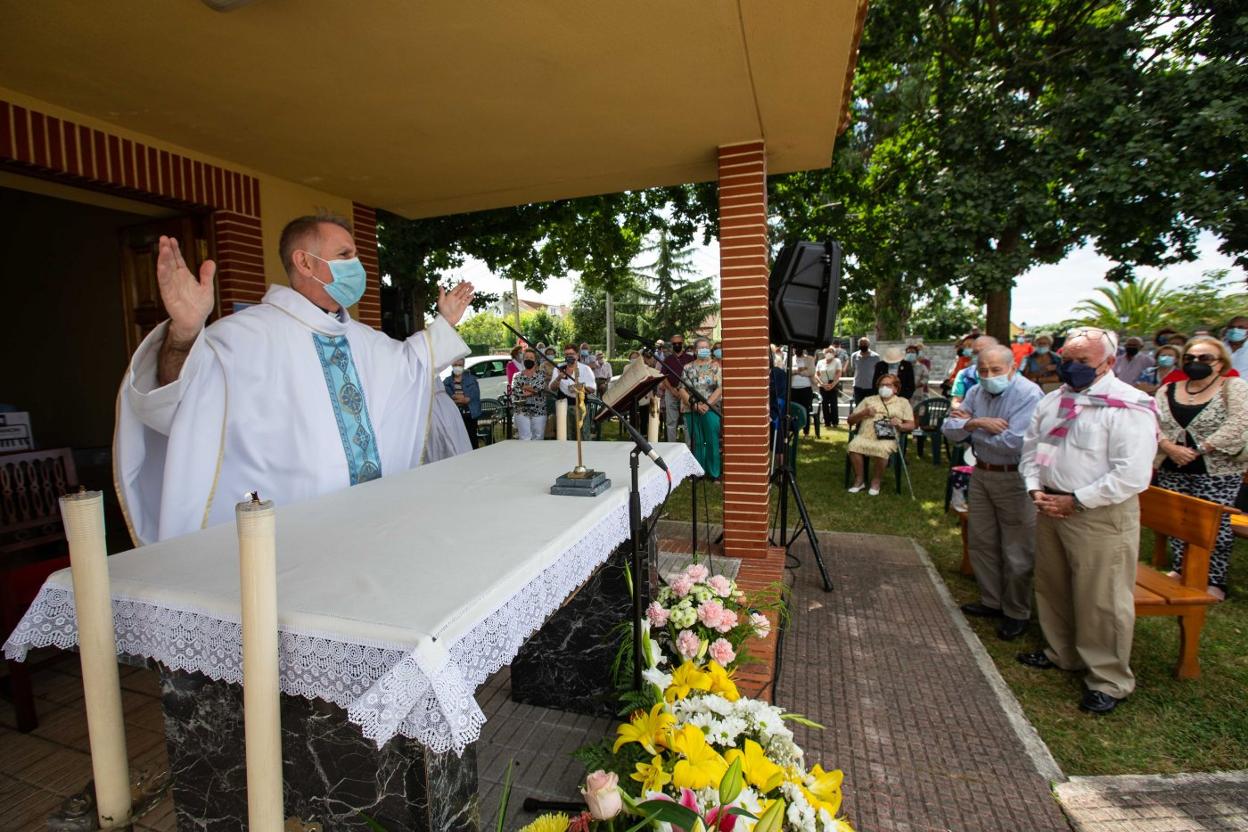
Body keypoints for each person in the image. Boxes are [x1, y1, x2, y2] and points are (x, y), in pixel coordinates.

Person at [114, 214, 473, 543]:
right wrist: (184, 333)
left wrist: (445, 324)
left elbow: (410, 363)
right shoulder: (244, 337)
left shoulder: (364, 340)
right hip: (284, 540)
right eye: (345, 254)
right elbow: (178, 400)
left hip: (365, 532)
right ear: (304, 262)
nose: (357, 266)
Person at [1017, 327, 1158, 714]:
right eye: (1068, 361)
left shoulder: (1128, 405)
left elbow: (1132, 473)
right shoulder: (1052, 402)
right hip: (1049, 504)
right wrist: (1034, 488)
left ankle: (1108, 678)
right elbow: (1032, 449)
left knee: (1102, 598)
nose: (1073, 368)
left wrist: (1076, 500)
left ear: (1109, 363)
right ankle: (1062, 651)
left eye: (1084, 362)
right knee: (1053, 585)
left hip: (1099, 514)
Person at [942, 346, 1044, 640]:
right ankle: (991, 600)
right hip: (982, 473)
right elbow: (950, 429)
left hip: (1014, 477)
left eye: (996, 370)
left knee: (1016, 547)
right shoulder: (976, 392)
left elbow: (1015, 442)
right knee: (982, 539)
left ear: (1013, 368)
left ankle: (1016, 611)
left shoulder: (1029, 394)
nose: (988, 376)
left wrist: (969, 428)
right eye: (983, 370)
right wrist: (978, 423)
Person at [1154, 336, 1248, 600]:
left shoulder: (1233, 387)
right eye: (1190, 358)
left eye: (1204, 358)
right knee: (1177, 519)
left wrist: (1201, 449)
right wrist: (1169, 447)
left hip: (1217, 469)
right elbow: (1153, 421)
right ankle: (1180, 568)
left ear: (1219, 364)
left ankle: (1214, 579)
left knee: (1213, 525)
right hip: (1173, 465)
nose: (1196, 362)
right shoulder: (1168, 389)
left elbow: (1239, 422)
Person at [846, 373, 916, 496]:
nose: (884, 387)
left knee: (882, 448)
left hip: (887, 437)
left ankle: (876, 481)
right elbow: (850, 420)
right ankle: (859, 480)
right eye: (882, 385)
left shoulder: (903, 402)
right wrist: (863, 413)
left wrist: (900, 425)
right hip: (865, 435)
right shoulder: (869, 400)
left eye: (888, 385)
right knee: (853, 446)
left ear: (895, 388)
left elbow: (911, 425)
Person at [679, 337, 723, 479]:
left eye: (706, 347)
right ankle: (698, 472)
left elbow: (720, 388)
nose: (703, 350)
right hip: (691, 409)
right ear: (695, 350)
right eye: (700, 348)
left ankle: (714, 473)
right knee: (697, 441)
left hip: (711, 409)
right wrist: (695, 405)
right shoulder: (687, 367)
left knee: (711, 440)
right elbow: (681, 389)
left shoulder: (716, 367)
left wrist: (706, 404)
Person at [548, 343, 597, 439]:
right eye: (566, 354)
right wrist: (558, 378)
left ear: (577, 355)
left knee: (583, 436)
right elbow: (552, 388)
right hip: (563, 407)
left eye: (571, 354)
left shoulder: (585, 369)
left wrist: (580, 387)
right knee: (565, 436)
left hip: (581, 406)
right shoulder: (558, 368)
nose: (569, 356)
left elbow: (592, 388)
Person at [660, 333, 694, 442]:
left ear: (682, 343)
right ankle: (672, 446)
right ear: (672, 345)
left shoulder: (690, 358)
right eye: (675, 343)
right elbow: (663, 376)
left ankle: (688, 447)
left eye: (679, 343)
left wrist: (685, 391)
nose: (677, 345)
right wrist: (671, 390)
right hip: (671, 392)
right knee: (671, 422)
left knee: (687, 421)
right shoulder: (668, 359)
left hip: (687, 392)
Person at [511, 348, 550, 440]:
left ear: (535, 360)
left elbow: (538, 388)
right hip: (521, 411)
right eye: (526, 357)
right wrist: (531, 390)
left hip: (539, 411)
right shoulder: (516, 376)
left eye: (531, 357)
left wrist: (524, 387)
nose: (529, 359)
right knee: (525, 438)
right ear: (523, 359)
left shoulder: (541, 374)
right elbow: (515, 390)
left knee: (538, 437)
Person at [950, 336, 998, 406]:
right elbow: (956, 401)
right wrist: (965, 410)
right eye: (975, 352)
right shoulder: (964, 374)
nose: (979, 355)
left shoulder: (1007, 375)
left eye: (983, 351)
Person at [445, 359, 482, 449]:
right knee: (458, 442)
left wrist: (459, 398)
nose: (457, 367)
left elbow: (468, 399)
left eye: (460, 365)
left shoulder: (472, 379)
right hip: (455, 416)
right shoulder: (447, 381)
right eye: (455, 365)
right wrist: (462, 398)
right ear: (452, 365)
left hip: (470, 415)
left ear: (464, 365)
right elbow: (449, 398)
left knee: (472, 439)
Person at [789, 347, 817, 436]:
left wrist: (798, 372)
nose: (796, 350)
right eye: (795, 348)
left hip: (806, 389)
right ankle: (794, 430)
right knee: (792, 410)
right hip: (793, 389)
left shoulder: (809, 359)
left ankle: (806, 432)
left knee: (806, 410)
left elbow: (811, 372)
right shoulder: (790, 358)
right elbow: (787, 370)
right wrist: (800, 369)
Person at [816, 346, 843, 428]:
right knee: (824, 404)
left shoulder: (837, 361)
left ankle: (835, 422)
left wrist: (832, 385)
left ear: (834, 353)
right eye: (827, 351)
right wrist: (822, 384)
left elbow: (838, 373)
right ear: (824, 353)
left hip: (833, 384)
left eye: (831, 351)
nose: (829, 353)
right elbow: (816, 374)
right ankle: (827, 422)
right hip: (823, 385)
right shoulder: (820, 362)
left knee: (833, 404)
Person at [849, 338, 881, 405]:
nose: (863, 345)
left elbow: (878, 372)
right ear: (858, 345)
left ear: (868, 345)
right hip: (858, 387)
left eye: (865, 344)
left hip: (871, 387)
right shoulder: (854, 356)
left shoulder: (876, 357)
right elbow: (854, 369)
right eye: (861, 344)